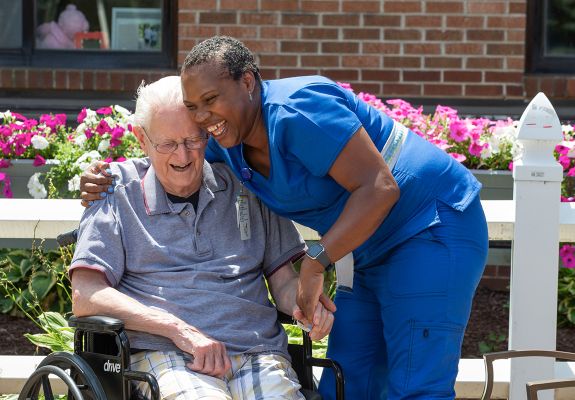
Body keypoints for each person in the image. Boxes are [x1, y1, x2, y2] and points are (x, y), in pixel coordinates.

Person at [81, 36, 489, 400]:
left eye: (211, 100)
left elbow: (380, 186)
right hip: (368, 246)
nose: (203, 119)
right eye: (195, 108)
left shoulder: (297, 110)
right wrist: (105, 177)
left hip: (429, 226)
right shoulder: (227, 142)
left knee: (415, 383)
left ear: (247, 83)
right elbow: (171, 156)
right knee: (349, 376)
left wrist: (315, 263)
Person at [70, 75, 334, 400]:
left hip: (258, 352)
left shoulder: (245, 185)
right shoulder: (114, 190)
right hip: (168, 355)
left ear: (207, 134)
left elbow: (282, 281)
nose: (182, 157)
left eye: (192, 141)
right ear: (141, 139)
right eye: (167, 144)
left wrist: (306, 303)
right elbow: (86, 295)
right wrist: (179, 331)